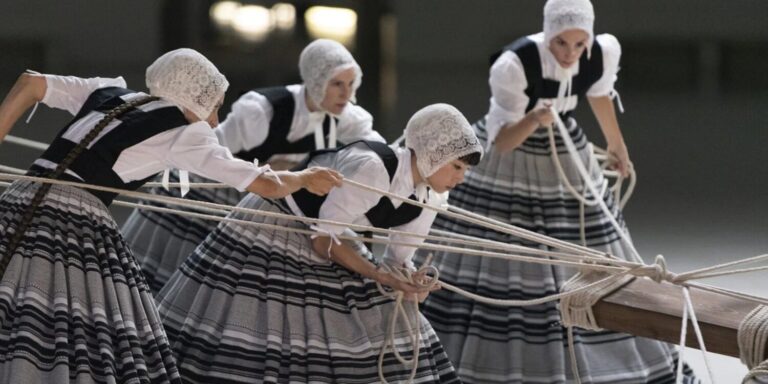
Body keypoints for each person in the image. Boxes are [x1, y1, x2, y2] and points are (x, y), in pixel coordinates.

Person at [0, 48, 341, 383]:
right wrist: (306, 178)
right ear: (197, 98)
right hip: (74, 220)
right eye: (215, 107)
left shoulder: (108, 92)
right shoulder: (185, 133)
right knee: (88, 325)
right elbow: (266, 184)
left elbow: (31, 83)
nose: (215, 121)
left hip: (23, 196)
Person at [415, 0, 698, 383]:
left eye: (580, 44)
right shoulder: (515, 65)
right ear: (548, 34)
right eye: (561, 43)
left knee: (587, 237)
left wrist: (617, 144)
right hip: (512, 157)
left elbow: (598, 94)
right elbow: (503, 141)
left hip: (565, 149)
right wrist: (534, 117)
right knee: (506, 251)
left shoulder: (599, 54)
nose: (570, 53)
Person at [155, 103, 483, 383]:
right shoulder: (373, 168)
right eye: (456, 166)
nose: (460, 177)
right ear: (432, 154)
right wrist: (380, 275)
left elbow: (398, 259)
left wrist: (411, 284)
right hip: (282, 222)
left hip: (332, 234)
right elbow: (322, 240)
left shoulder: (431, 198)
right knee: (280, 325)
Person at [121, 39, 384, 294]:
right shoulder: (263, 111)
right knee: (190, 274)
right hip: (222, 193)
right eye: (337, 84)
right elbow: (210, 150)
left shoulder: (347, 118)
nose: (346, 93)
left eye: (351, 84)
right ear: (316, 80)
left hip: (275, 205)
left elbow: (378, 152)